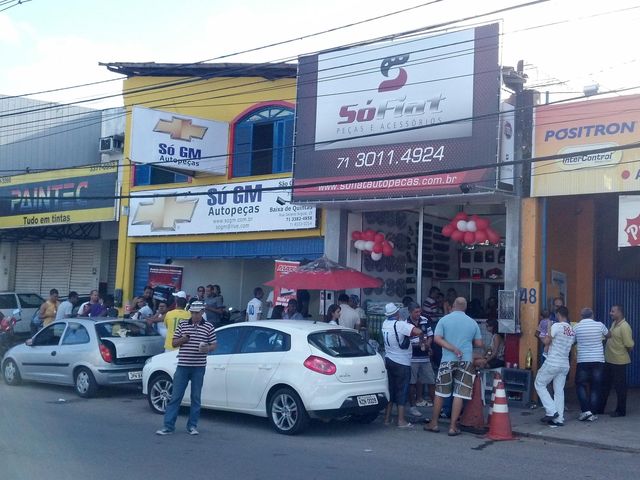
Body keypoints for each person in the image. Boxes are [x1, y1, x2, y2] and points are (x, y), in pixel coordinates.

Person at [156, 301, 217, 436]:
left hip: (198, 366)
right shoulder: (183, 325)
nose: (194, 315)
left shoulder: (208, 327)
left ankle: (192, 425)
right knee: (176, 396)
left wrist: (207, 348)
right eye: (192, 313)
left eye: (197, 313)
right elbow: (173, 342)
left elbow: (213, 345)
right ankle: (168, 426)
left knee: (196, 397)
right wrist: (183, 339)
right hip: (183, 365)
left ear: (202, 313)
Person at [424, 297, 483, 436]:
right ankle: (452, 427)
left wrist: (452, 348)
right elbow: (479, 343)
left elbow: (437, 339)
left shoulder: (444, 320)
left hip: (447, 361)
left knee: (440, 393)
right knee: (459, 394)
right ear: (465, 307)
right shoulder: (472, 322)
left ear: (453, 306)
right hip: (466, 361)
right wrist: (466, 344)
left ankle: (434, 423)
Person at [382, 303, 423, 428]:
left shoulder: (384, 324)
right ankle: (401, 420)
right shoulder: (400, 325)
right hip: (402, 362)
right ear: (397, 313)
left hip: (389, 359)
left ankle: (387, 418)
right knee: (402, 391)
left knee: (391, 390)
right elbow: (418, 331)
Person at [534, 306, 575, 427]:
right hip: (564, 364)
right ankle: (559, 419)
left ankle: (551, 411)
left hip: (553, 362)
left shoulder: (556, 326)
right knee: (559, 391)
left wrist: (543, 332)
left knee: (539, 383)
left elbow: (546, 342)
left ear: (558, 314)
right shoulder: (571, 330)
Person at [573, 307, 610, 422]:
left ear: (581, 316)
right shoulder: (599, 325)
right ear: (592, 315)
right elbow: (609, 335)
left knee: (580, 385)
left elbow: (573, 341)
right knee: (596, 386)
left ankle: (586, 411)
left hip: (583, 360)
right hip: (598, 360)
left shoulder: (577, 327)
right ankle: (592, 412)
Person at [601, 304, 635, 417]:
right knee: (605, 385)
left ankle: (621, 411)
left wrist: (621, 353)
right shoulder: (614, 324)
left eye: (613, 311)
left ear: (619, 313)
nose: (610, 313)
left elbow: (629, 345)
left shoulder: (625, 327)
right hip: (609, 360)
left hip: (619, 361)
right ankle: (600, 408)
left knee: (620, 387)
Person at [406, 302, 434, 416]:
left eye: (419, 312)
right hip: (412, 358)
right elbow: (405, 341)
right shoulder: (405, 323)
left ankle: (437, 408)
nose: (418, 314)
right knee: (411, 383)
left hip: (425, 358)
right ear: (410, 312)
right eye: (416, 312)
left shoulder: (424, 320)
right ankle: (413, 407)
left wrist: (427, 344)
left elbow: (431, 335)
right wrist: (417, 345)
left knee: (431, 381)